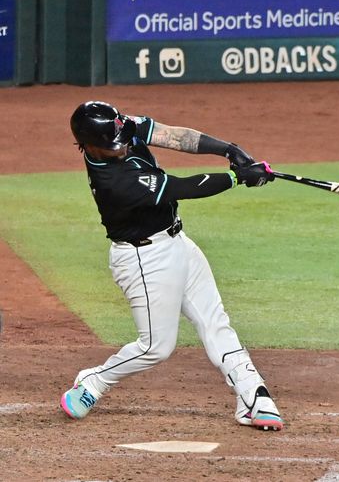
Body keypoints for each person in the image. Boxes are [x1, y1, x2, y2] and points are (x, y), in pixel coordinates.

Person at [60, 101, 283, 431]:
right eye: (112, 147)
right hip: (143, 259)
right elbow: (182, 188)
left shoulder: (120, 127)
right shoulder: (114, 182)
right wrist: (238, 178)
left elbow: (171, 135)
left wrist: (229, 149)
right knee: (155, 347)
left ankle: (254, 396)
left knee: (214, 320)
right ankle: (94, 382)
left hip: (177, 243)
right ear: (88, 145)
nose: (120, 149)